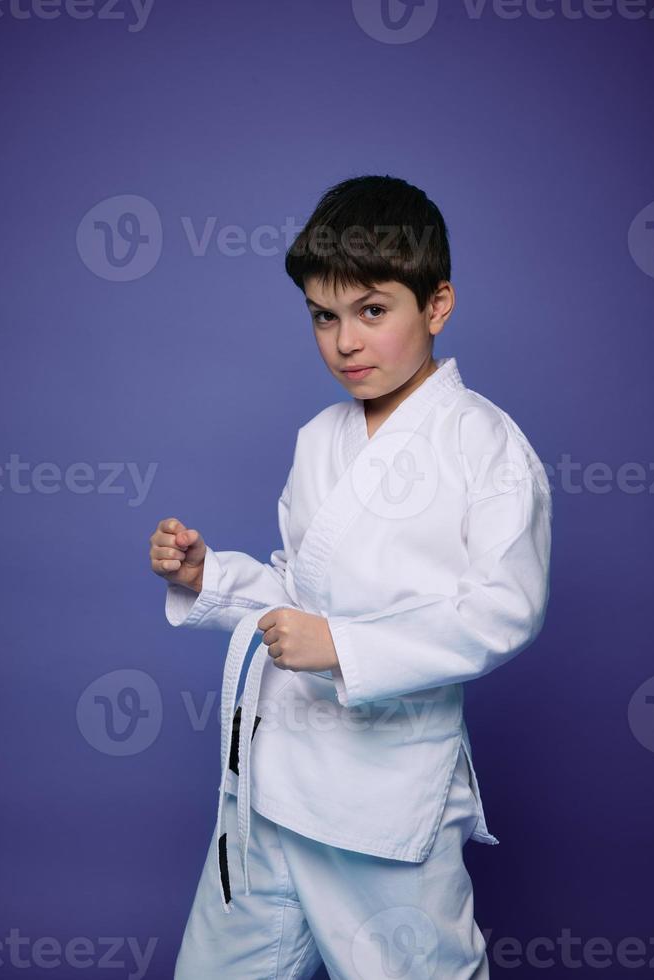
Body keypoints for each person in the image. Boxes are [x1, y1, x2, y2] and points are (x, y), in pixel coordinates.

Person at [149, 174, 553, 979]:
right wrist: (208, 576)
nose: (345, 342)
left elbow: (504, 611)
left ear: (436, 305)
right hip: (272, 781)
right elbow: (297, 593)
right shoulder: (318, 438)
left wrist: (342, 647)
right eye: (324, 318)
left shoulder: (487, 446)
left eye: (373, 311)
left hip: (383, 798)